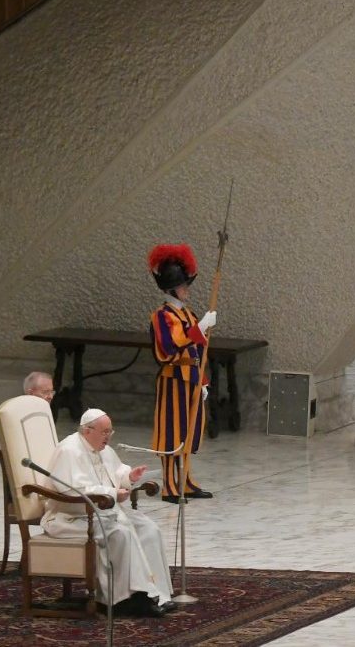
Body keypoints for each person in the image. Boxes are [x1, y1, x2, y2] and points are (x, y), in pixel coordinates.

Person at [42, 409, 175, 617]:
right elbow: (73, 490)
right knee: (120, 533)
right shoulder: (69, 451)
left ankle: (158, 594)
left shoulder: (103, 449)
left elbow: (117, 472)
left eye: (110, 432)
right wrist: (112, 493)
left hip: (104, 511)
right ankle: (124, 599)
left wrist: (129, 477)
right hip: (71, 517)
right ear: (87, 430)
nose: (108, 437)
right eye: (105, 432)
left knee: (148, 528)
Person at [148, 244, 216, 503]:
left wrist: (203, 380)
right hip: (173, 379)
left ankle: (185, 479)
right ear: (172, 288)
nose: (187, 289)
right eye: (183, 285)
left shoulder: (188, 313)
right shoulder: (162, 316)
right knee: (172, 432)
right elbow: (171, 346)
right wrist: (200, 328)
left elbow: (198, 351)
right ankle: (169, 484)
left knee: (189, 431)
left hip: (192, 378)